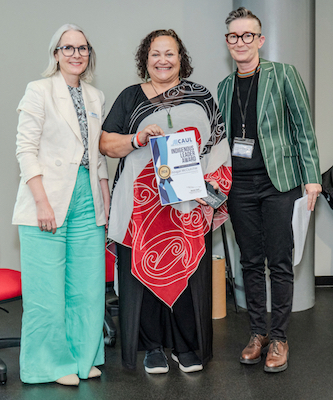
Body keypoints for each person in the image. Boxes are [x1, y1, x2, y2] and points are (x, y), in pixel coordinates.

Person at [100, 29, 231, 374]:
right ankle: (152, 346)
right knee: (144, 274)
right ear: (145, 59)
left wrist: (211, 187)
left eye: (170, 53)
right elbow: (106, 144)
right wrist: (138, 138)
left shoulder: (201, 96)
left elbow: (218, 146)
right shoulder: (130, 97)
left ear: (180, 58)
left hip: (188, 205)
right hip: (141, 208)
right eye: (155, 53)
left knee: (189, 275)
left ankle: (187, 345)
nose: (162, 60)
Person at [217, 8, 321, 373]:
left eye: (248, 35)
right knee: (249, 261)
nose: (240, 42)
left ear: (260, 40)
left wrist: (312, 177)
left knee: (279, 261)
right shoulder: (225, 87)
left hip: (279, 183)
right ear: (227, 41)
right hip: (240, 186)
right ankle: (257, 334)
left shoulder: (284, 75)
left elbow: (303, 128)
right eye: (233, 36)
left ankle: (279, 337)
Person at [12, 24, 110, 386]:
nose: (75, 54)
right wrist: (41, 202)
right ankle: (48, 365)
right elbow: (25, 149)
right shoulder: (39, 91)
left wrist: (105, 197)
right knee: (46, 291)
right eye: (67, 48)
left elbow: (96, 152)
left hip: (87, 195)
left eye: (82, 48)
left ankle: (83, 359)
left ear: (89, 54)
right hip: (48, 196)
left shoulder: (95, 96)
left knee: (87, 286)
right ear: (55, 53)